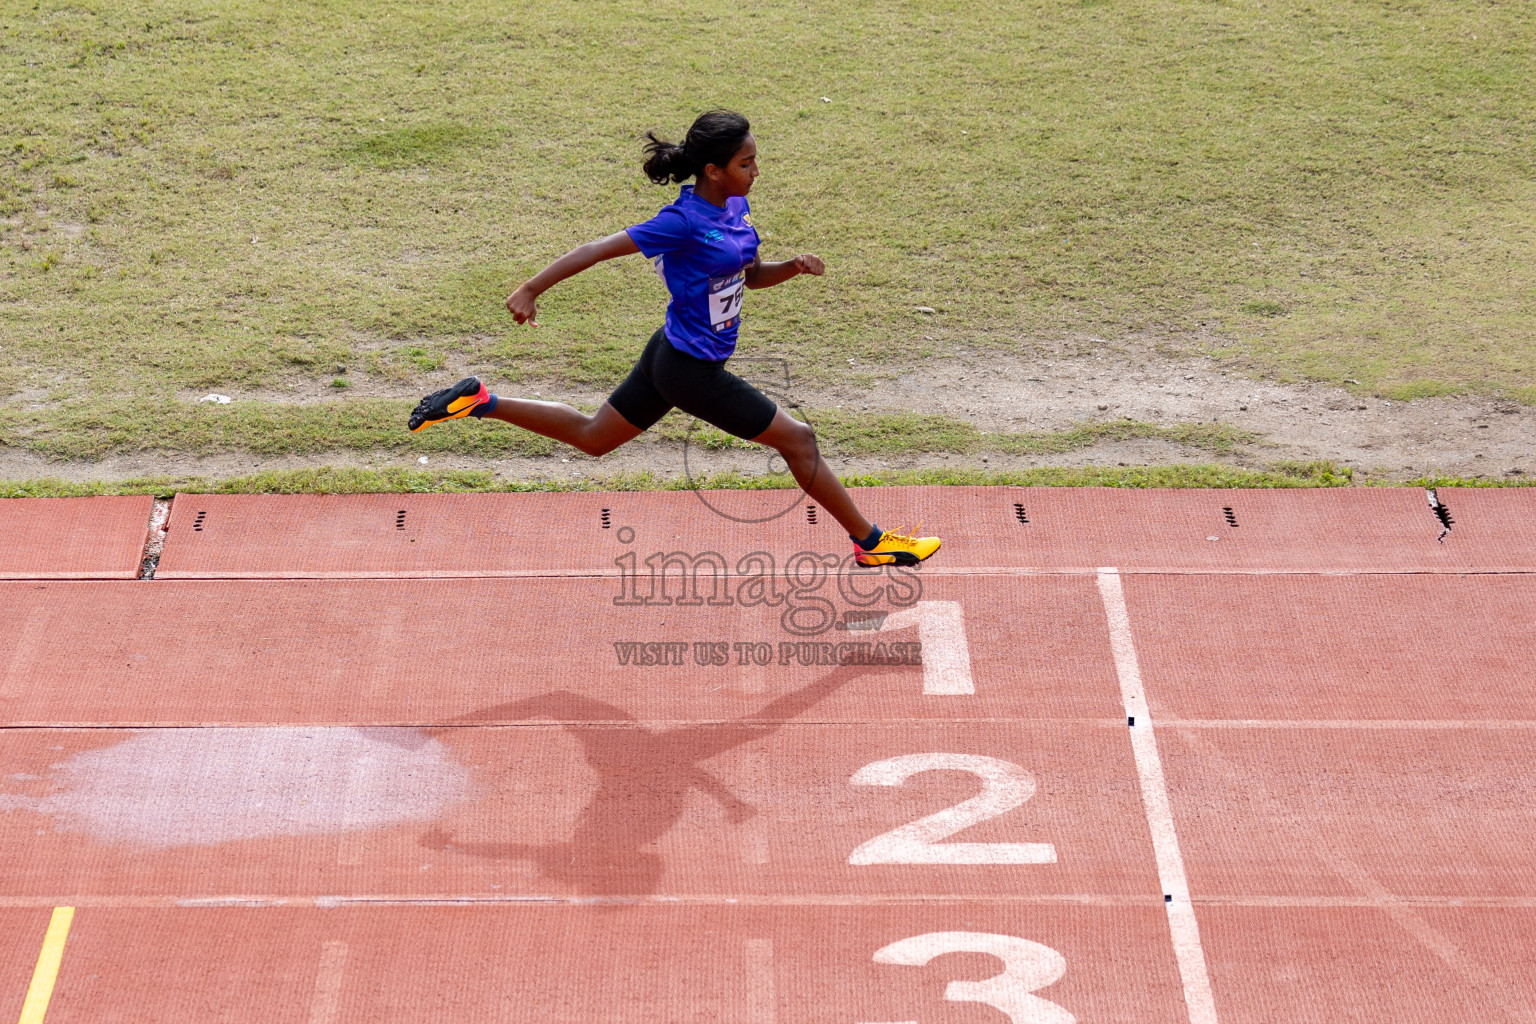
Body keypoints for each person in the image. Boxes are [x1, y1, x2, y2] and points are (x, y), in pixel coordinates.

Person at [408, 110, 940, 567]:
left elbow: (750, 277)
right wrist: (530, 288)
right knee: (798, 439)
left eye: (755, 161)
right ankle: (870, 542)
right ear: (714, 170)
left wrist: (792, 268)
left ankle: (479, 401)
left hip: (670, 354)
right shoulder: (682, 221)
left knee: (595, 438)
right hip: (690, 370)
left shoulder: (735, 209)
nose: (756, 171)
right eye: (746, 163)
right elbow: (596, 248)